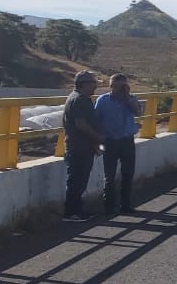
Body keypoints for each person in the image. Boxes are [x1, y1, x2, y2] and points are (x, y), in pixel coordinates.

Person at [94, 74, 143, 215]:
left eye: (119, 86)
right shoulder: (102, 100)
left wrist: (127, 97)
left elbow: (138, 112)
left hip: (127, 140)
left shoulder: (131, 99)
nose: (115, 89)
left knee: (127, 174)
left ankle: (125, 205)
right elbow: (96, 120)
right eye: (113, 86)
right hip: (109, 141)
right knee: (109, 176)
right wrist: (99, 139)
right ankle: (109, 207)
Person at [61, 71, 104, 222]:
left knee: (79, 179)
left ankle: (77, 209)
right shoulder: (80, 100)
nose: (96, 86)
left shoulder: (77, 98)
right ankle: (71, 212)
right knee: (77, 180)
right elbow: (81, 124)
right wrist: (99, 138)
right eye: (94, 83)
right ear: (85, 84)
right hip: (79, 146)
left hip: (80, 145)